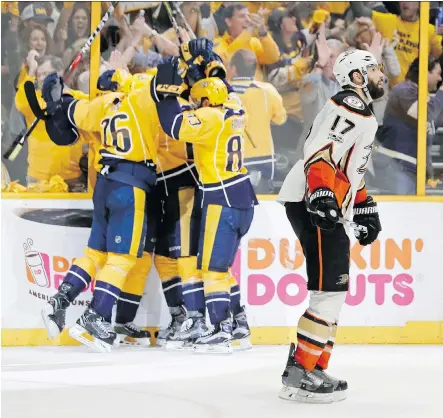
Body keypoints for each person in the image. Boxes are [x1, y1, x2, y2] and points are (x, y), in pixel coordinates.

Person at [277, 49, 385, 402]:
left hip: (319, 201)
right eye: (374, 69)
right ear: (356, 76)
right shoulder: (349, 102)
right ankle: (301, 372)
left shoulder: (360, 108)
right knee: (328, 290)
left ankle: (313, 366)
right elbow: (322, 150)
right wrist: (321, 192)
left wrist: (364, 204)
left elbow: (349, 170)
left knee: (333, 291)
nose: (380, 74)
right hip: (312, 201)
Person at [154, 51, 257, 353]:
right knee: (222, 268)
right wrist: (207, 66)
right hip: (243, 197)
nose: (196, 105)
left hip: (220, 197)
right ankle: (238, 325)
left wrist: (165, 94)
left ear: (205, 101)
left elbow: (174, 126)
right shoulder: (235, 108)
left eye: (198, 101)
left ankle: (220, 328)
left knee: (211, 269)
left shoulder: (210, 117)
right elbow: (223, 87)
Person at [374, 57, 443, 194]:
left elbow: (431, 122)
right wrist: (442, 92)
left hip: (413, 171)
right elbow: (425, 114)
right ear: (425, 72)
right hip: (398, 167)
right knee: (398, 213)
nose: (439, 78)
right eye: (438, 73)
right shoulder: (404, 90)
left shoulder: (424, 96)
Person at [228, 49, 287, 193]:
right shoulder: (268, 91)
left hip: (232, 159)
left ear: (234, 69)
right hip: (263, 160)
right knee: (262, 207)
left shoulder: (223, 92)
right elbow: (280, 119)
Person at [350, 1, 442, 86]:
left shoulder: (428, 31)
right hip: (388, 92)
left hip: (414, 92)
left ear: (419, 4)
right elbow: (360, 11)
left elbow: (439, 57)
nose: (405, 3)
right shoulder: (388, 21)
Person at [213, 3, 280, 81]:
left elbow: (273, 58)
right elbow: (230, 61)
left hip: (255, 90)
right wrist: (247, 34)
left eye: (248, 16)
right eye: (242, 16)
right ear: (229, 21)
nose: (248, 20)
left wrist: (263, 32)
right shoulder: (217, 43)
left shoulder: (253, 42)